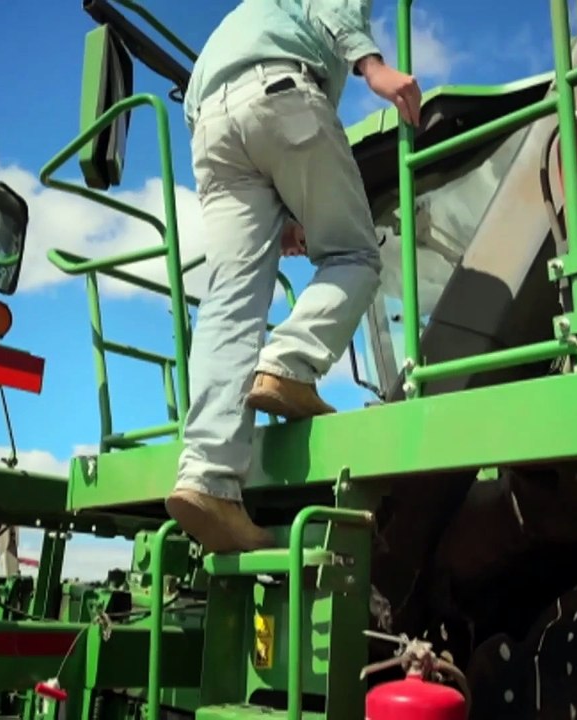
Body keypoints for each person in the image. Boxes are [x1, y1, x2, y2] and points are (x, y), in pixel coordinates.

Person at [164, 0, 423, 554]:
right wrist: (374, 68)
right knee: (354, 252)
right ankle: (288, 362)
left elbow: (204, 111)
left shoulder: (240, 21)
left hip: (209, 130)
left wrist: (278, 212)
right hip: (282, 94)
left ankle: (206, 476)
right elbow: (335, 6)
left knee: (228, 299)